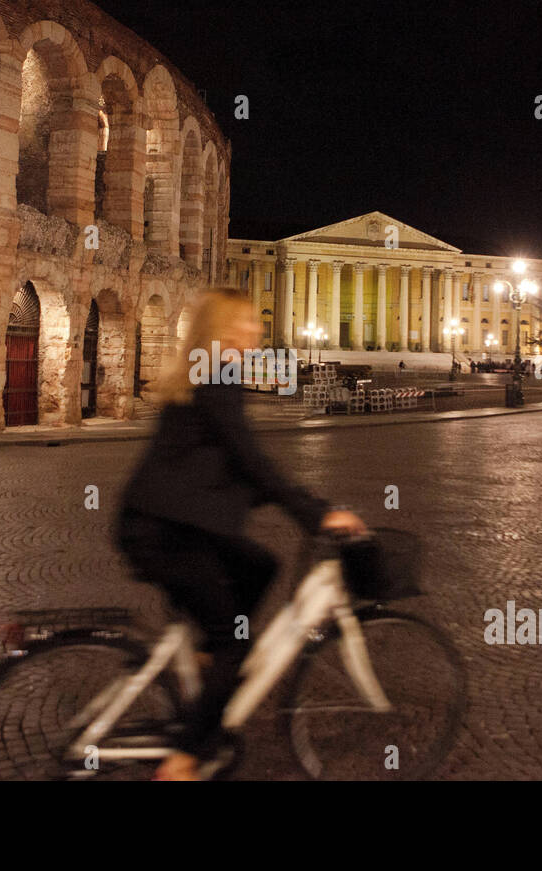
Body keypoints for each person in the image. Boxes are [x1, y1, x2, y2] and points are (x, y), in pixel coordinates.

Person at [116, 288, 367, 781]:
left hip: (165, 522)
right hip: (166, 533)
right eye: (248, 323)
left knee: (261, 564)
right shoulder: (217, 376)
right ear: (226, 328)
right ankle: (183, 760)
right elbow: (252, 461)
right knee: (237, 643)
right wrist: (316, 515)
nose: (257, 331)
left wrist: (296, 501)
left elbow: (225, 463)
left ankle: (213, 659)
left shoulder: (205, 371)